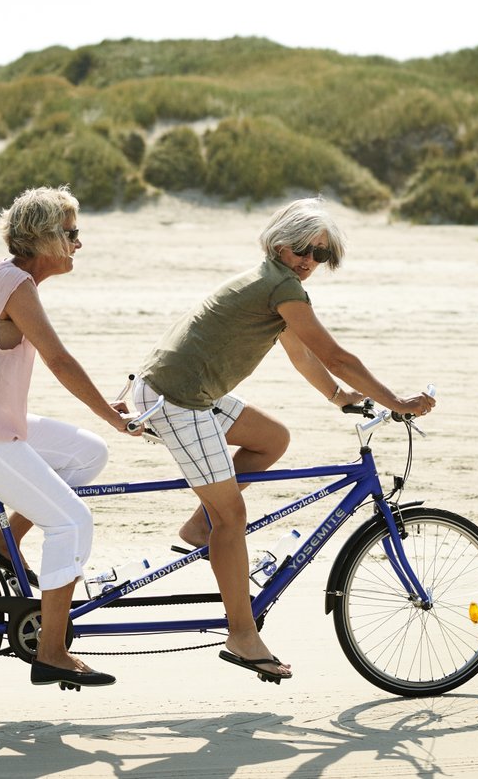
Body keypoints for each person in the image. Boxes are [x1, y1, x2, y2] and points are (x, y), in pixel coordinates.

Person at [131, 197, 436, 683]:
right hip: (177, 397)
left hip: (183, 388)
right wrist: (396, 400)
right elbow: (335, 354)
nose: (308, 261)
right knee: (232, 517)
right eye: (302, 249)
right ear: (278, 243)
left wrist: (337, 396)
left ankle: (195, 529)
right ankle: (242, 635)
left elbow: (300, 353)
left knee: (270, 439)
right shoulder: (281, 284)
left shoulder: (273, 285)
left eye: (320, 255)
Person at [0, 185, 141, 689]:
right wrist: (113, 415)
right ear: (44, 239)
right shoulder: (16, 285)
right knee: (71, 523)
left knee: (87, 454)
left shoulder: (2, 275)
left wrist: (105, 421)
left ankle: (0, 544)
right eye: (72, 233)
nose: (78, 243)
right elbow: (59, 361)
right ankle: (54, 653)